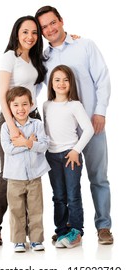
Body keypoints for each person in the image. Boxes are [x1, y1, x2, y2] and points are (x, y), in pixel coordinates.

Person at [35, 5, 114, 244]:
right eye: (44, 27)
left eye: (52, 22)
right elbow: (36, 89)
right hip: (63, 136)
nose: (50, 29)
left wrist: (100, 112)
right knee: (65, 186)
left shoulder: (85, 45)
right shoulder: (44, 58)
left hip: (92, 125)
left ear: (61, 20)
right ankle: (69, 229)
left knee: (98, 178)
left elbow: (102, 78)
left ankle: (104, 227)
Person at [0, 15, 47, 245]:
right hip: (11, 118)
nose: (30, 37)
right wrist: (11, 126)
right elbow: (2, 95)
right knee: (9, 174)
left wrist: (72, 38)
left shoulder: (35, 58)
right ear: (16, 33)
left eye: (34, 32)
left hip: (33, 117)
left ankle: (27, 233)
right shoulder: (9, 57)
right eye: (25, 32)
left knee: (31, 174)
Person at [44, 65, 94, 248]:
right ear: (51, 83)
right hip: (52, 156)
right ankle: (61, 230)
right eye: (57, 79)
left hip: (70, 155)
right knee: (58, 195)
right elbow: (46, 131)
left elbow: (88, 129)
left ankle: (76, 231)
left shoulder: (74, 105)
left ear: (71, 82)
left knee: (73, 195)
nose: (61, 83)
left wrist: (76, 150)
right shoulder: (46, 105)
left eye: (65, 79)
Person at [0, 86, 50, 252]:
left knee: (36, 209)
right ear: (9, 107)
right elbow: (9, 149)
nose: (20, 109)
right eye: (16, 105)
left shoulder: (37, 124)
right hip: (14, 177)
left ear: (31, 105)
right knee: (17, 210)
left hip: (34, 176)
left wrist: (25, 142)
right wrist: (28, 143)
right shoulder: (6, 128)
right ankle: (18, 240)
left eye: (24, 104)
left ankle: (36, 240)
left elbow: (43, 146)